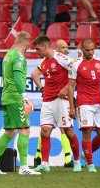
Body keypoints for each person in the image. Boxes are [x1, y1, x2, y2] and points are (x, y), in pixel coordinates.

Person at [0, 31, 41, 175]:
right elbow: (17, 79)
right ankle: (24, 167)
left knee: (10, 131)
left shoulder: (8, 55)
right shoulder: (19, 57)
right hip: (15, 98)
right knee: (24, 129)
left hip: (6, 97)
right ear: (27, 43)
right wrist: (24, 98)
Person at [30, 36, 81, 172]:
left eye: (38, 49)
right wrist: (42, 88)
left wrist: (67, 87)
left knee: (69, 131)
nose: (36, 51)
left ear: (45, 46)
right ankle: (45, 164)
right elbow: (34, 74)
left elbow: (76, 69)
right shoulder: (44, 62)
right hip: (47, 100)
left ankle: (76, 162)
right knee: (45, 131)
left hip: (62, 101)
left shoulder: (60, 58)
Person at [68, 39, 100, 172]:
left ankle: (86, 153)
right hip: (84, 102)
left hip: (98, 102)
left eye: (92, 49)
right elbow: (70, 86)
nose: (90, 52)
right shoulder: (76, 64)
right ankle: (91, 165)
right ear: (81, 49)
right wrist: (72, 106)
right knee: (87, 132)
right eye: (87, 50)